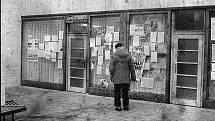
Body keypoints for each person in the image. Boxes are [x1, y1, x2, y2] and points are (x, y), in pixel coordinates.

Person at [109, 42, 136, 111]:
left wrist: (111, 76)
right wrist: (133, 77)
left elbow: (111, 68)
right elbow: (132, 67)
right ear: (122, 47)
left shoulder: (114, 56)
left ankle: (118, 106)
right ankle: (126, 106)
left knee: (117, 92)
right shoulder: (128, 56)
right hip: (126, 77)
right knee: (125, 92)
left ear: (116, 48)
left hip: (116, 77)